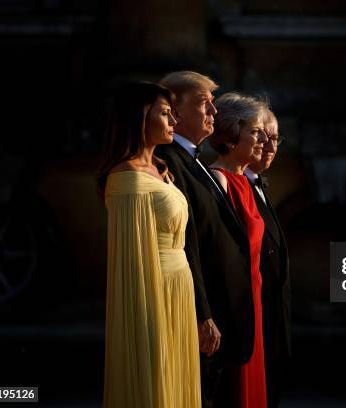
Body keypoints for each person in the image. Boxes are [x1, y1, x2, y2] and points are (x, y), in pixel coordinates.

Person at [96, 82, 201, 408]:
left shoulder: (160, 171)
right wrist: (144, 326)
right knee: (155, 383)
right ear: (141, 117)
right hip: (152, 294)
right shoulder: (128, 179)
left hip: (178, 290)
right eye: (166, 114)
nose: (174, 122)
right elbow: (132, 265)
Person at [155, 72, 254, 407]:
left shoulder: (193, 160)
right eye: (203, 103)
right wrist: (202, 313)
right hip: (203, 314)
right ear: (176, 112)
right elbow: (184, 244)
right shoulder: (168, 162)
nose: (214, 110)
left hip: (223, 313)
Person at [209, 92, 269, 408]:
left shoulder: (245, 180)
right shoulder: (219, 179)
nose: (262, 140)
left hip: (253, 301)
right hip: (232, 305)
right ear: (232, 134)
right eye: (255, 132)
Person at [244, 109, 291, 408]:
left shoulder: (259, 182)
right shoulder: (234, 184)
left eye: (276, 139)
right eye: (264, 138)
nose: (271, 148)